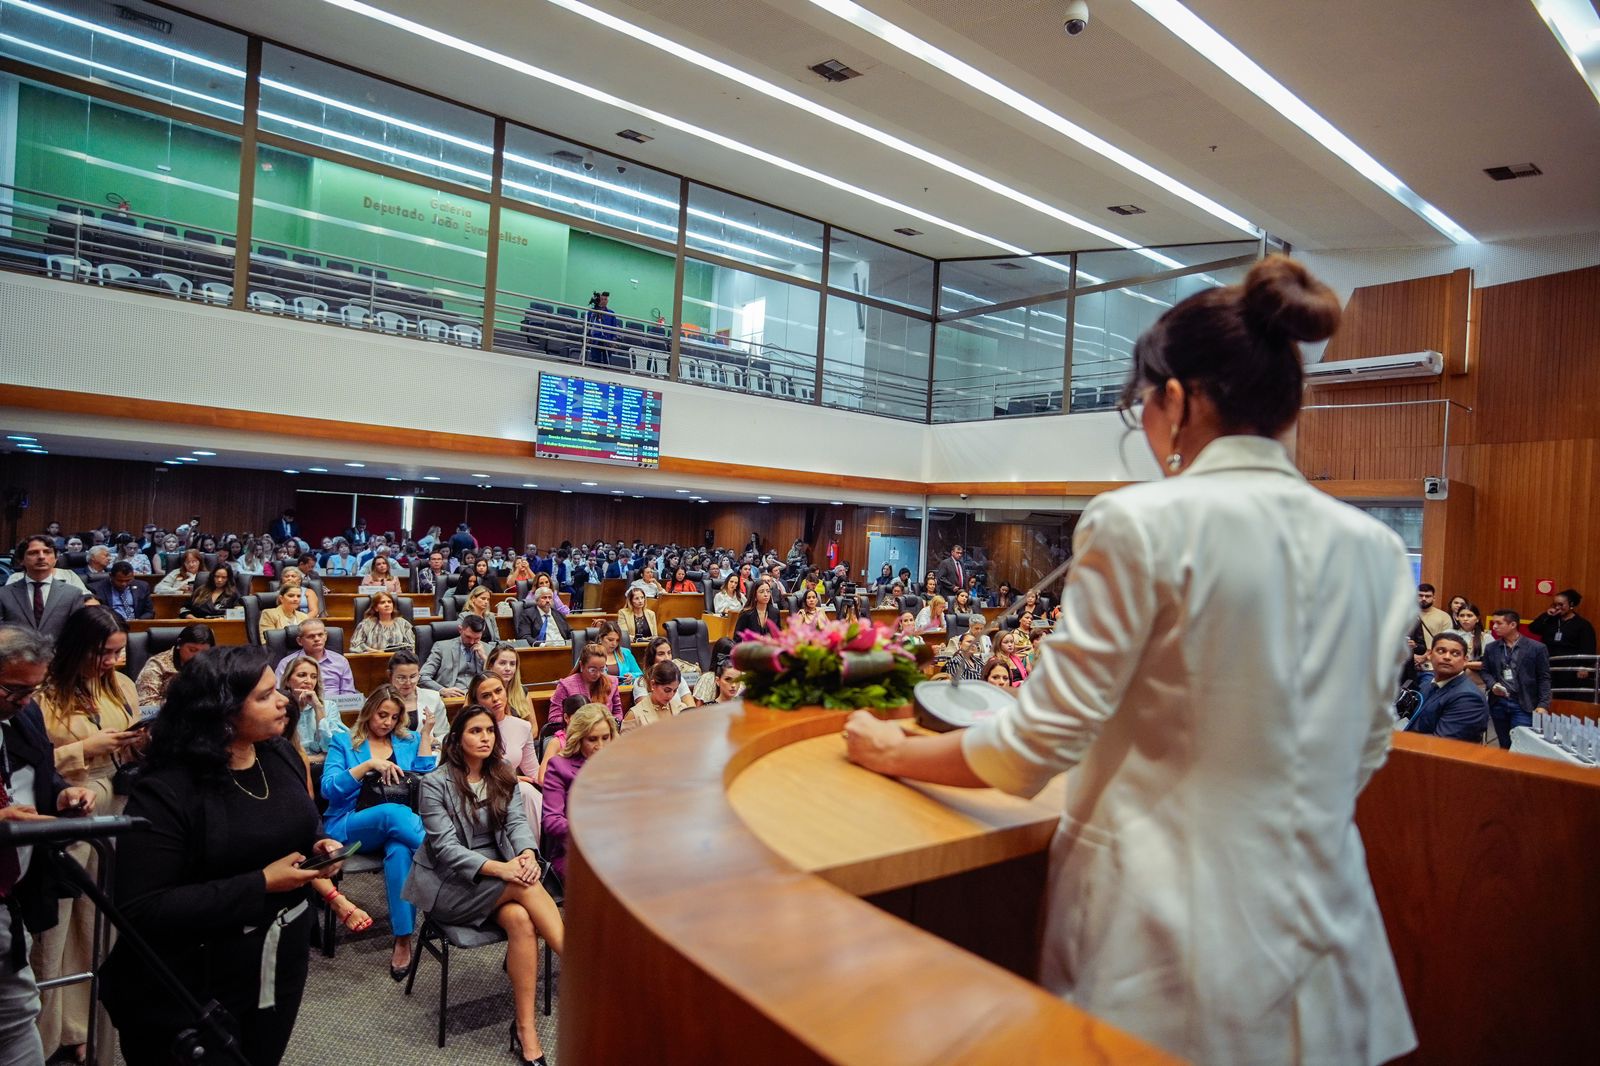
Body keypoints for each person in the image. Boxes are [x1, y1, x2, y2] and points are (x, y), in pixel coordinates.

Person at [841, 256, 1417, 1065]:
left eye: (1138, 404)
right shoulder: (1380, 551)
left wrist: (894, 752)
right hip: (1331, 939)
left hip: (1170, 938)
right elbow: (1366, 749)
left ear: (1175, 400)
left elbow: (1035, 745)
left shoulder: (1141, 523)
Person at [101, 646, 344, 1066]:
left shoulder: (279, 753)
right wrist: (261, 883)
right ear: (224, 711)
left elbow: (300, 825)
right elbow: (141, 908)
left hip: (278, 958)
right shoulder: (167, 789)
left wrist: (318, 846)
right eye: (265, 695)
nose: (283, 699)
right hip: (197, 976)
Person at [404, 706, 564, 1066]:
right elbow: (446, 850)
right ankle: (581, 965)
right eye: (475, 731)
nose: (485, 737)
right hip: (451, 886)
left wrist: (524, 855)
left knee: (522, 921)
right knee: (526, 889)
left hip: (503, 877)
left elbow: (518, 825)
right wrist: (505, 870)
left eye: (489, 731)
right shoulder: (434, 783)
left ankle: (525, 1029)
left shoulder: (502, 774)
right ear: (457, 739)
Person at [30, 607, 140, 1062]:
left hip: (118, 803)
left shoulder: (124, 686)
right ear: (77, 648)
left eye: (119, 652)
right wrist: (82, 750)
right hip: (67, 816)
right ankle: (52, 1032)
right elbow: (24, 769)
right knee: (61, 932)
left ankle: (91, 1031)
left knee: (103, 929)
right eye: (103, 653)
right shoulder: (41, 695)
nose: (113, 662)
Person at [0, 627, 99, 1066]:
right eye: (14, 690)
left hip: (10, 896)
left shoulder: (25, 715)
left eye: (33, 689)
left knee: (18, 1013)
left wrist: (60, 795)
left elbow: (38, 776)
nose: (24, 700)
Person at [321, 685, 436, 978]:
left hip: (398, 829)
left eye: (394, 717)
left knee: (399, 850)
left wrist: (424, 737)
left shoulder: (405, 741)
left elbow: (422, 780)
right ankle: (444, 856)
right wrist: (368, 766)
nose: (387, 722)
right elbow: (329, 789)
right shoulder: (344, 741)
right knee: (391, 814)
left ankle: (402, 939)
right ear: (369, 710)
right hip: (349, 825)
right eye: (382, 714)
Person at [540, 702, 615, 880]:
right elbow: (552, 821)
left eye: (606, 738)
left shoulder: (619, 764)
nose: (601, 746)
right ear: (579, 738)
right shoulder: (559, 767)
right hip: (576, 852)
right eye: (592, 739)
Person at [468, 672, 541, 830]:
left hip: (514, 791)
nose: (495, 698)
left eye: (498, 691)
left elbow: (533, 772)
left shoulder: (522, 726)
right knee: (525, 791)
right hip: (477, 792)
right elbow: (467, 773)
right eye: (487, 695)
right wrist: (508, 779)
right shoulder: (468, 730)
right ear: (477, 701)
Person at [1481, 608, 1553, 748]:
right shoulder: (1491, 647)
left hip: (1524, 703)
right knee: (1504, 745)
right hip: (1499, 702)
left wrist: (1543, 704)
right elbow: (1485, 672)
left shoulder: (1536, 648)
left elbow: (1544, 678)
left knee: (1521, 746)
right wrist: (1493, 685)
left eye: (1499, 623)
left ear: (1512, 625)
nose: (1494, 626)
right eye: (1494, 623)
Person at [0, 536, 91, 641]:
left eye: (47, 552)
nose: (41, 557)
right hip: (16, 654)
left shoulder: (73, 594)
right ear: (21, 560)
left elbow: (77, 634)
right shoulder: (4, 594)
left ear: (56, 558)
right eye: (33, 553)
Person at [1404, 633, 1490, 742]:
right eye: (1441, 651)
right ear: (1429, 655)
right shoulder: (1427, 685)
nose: (1447, 657)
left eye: (1455, 654)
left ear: (1465, 660)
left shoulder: (1469, 698)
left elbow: (1442, 743)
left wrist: (1396, 738)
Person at [1528, 588, 1596, 702]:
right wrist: (1546, 615)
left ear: (1571, 604)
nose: (1557, 607)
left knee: (1564, 697)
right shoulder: (1551, 620)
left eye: (1561, 604)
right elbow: (1533, 628)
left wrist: (1584, 666)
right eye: (1555, 604)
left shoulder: (1582, 625)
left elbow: (1588, 647)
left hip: (1569, 668)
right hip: (1548, 663)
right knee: (1545, 694)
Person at [278, 654, 346, 757]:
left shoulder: (329, 706)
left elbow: (333, 748)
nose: (309, 681)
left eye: (314, 677)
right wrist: (315, 758)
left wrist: (318, 708)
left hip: (325, 767)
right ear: (287, 681)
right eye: (302, 675)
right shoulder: (279, 709)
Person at [134, 622, 215, 706]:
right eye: (192, 650)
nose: (198, 656)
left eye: (204, 652)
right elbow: (146, 703)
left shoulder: (213, 664)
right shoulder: (157, 665)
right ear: (179, 644)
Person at [272, 618, 355, 695]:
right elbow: (280, 693)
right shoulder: (286, 663)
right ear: (300, 641)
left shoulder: (340, 661)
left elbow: (348, 694)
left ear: (325, 636)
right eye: (311, 636)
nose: (317, 639)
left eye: (320, 635)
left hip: (335, 707)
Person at [551, 643, 624, 726]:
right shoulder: (565, 685)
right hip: (575, 733)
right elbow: (554, 718)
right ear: (581, 665)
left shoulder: (612, 682)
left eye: (602, 669)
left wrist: (610, 723)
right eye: (592, 670)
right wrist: (579, 723)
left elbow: (618, 712)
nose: (597, 674)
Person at [421, 614, 491, 698]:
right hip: (451, 698)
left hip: (480, 698)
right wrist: (442, 690)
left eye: (477, 638)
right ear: (460, 629)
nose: (472, 642)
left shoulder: (488, 649)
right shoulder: (442, 647)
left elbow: (500, 678)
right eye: (468, 637)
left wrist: (485, 658)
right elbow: (422, 677)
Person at [385, 650, 448, 743]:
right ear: (390, 675)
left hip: (426, 752)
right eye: (401, 678)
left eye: (413, 676)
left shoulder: (433, 698)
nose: (408, 682)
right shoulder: (377, 701)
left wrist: (434, 741)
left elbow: (445, 734)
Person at [621, 661, 689, 732]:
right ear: (653, 684)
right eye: (667, 690)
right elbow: (624, 743)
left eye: (675, 690)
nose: (671, 695)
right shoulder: (635, 715)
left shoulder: (682, 709)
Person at [350, 591, 416, 653]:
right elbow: (355, 645)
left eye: (389, 602)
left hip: (399, 661)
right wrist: (375, 652)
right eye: (382, 602)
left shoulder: (403, 623)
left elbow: (413, 645)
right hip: (373, 660)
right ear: (376, 608)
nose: (387, 605)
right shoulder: (365, 624)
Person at [485, 642, 536, 722]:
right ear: (490, 665)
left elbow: (534, 728)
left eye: (512, 664)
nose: (508, 668)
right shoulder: (478, 691)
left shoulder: (522, 692)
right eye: (502, 663)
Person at [1411, 583, 1455, 666]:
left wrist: (1425, 656)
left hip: (1432, 665)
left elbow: (1446, 642)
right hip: (1407, 664)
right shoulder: (1406, 615)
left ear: (1434, 598)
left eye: (1427, 596)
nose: (1423, 599)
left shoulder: (1444, 617)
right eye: (1420, 595)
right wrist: (1412, 656)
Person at [1453, 603, 1494, 692]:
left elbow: (1492, 663)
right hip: (1451, 677)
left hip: (1476, 680)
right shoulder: (1449, 634)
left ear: (1477, 619)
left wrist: (1466, 664)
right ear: (1457, 617)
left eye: (1469, 615)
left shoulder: (1486, 637)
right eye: (1462, 615)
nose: (1465, 619)